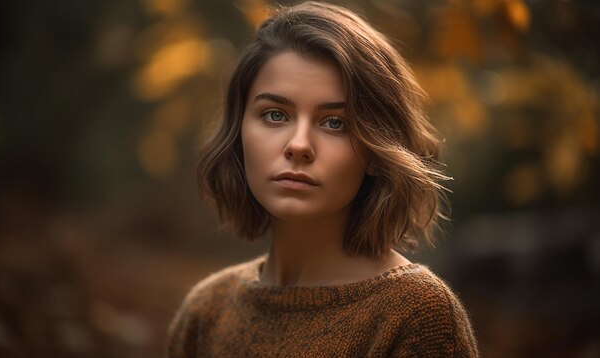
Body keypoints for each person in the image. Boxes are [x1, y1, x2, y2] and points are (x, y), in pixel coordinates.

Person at [168, 2, 479, 357]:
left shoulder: (417, 315)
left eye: (335, 122)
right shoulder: (207, 311)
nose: (299, 145)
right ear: (239, 133)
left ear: (378, 151)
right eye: (274, 114)